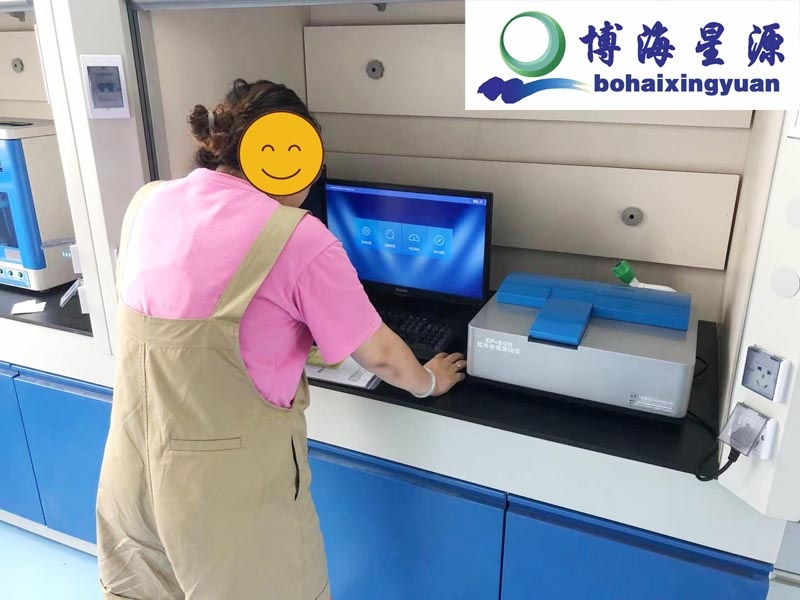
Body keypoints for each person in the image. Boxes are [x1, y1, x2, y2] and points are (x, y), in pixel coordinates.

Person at [95, 78, 466, 600]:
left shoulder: (149, 201)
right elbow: (382, 356)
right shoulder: (297, 237)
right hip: (227, 496)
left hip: (132, 474)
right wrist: (430, 381)